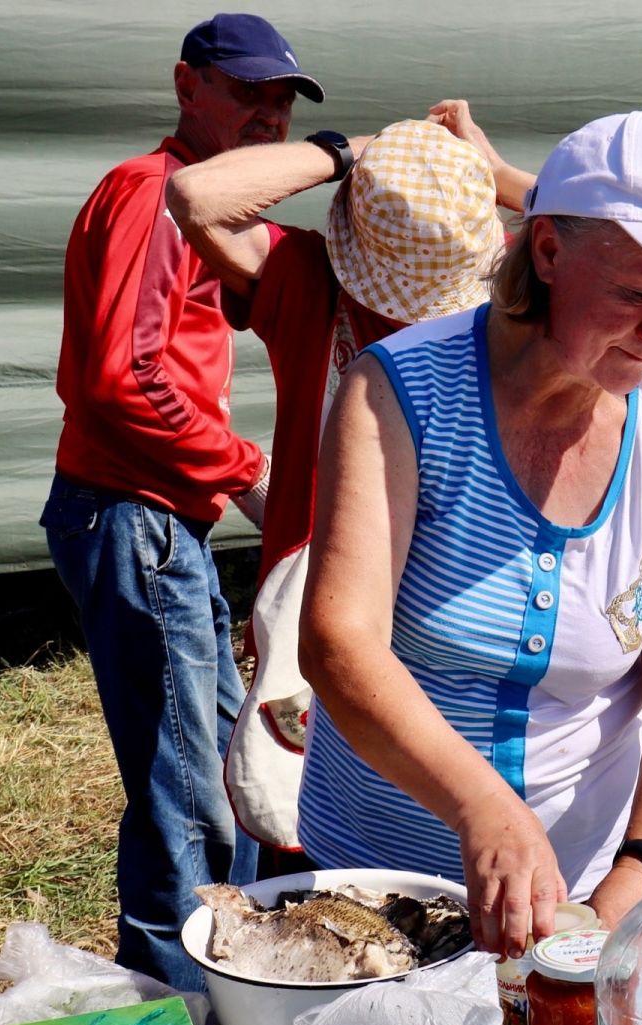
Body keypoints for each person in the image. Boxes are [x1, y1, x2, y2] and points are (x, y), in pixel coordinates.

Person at [297, 110, 642, 957]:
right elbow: (340, 641)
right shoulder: (399, 396)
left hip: (581, 909)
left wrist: (636, 871)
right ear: (550, 251)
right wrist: (483, 807)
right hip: (378, 902)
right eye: (639, 293)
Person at [41, 13, 340, 990]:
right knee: (187, 791)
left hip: (158, 520)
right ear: (188, 85)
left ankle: (208, 984)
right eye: (248, 92)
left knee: (217, 765)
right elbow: (120, 376)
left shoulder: (204, 211)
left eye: (282, 100)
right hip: (135, 514)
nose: (269, 113)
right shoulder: (154, 198)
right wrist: (241, 464)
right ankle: (186, 1022)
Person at [166, 102, 533, 852]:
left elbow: (639, 250)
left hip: (447, 627)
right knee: (324, 838)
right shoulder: (321, 287)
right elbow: (194, 196)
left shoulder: (313, 281)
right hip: (349, 627)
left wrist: (428, 165)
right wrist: (371, 154)